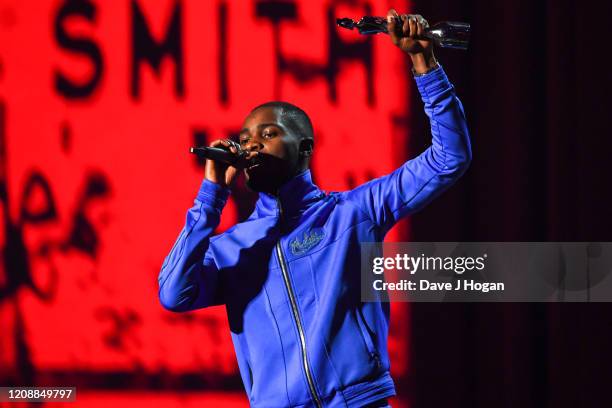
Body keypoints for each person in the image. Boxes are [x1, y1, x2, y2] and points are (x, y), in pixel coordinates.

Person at [158, 10, 471, 408]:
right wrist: (210, 197)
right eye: (245, 138)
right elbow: (173, 295)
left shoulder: (354, 212)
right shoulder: (231, 249)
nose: (251, 145)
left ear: (305, 149)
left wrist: (424, 65)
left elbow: (449, 159)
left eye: (268, 134)